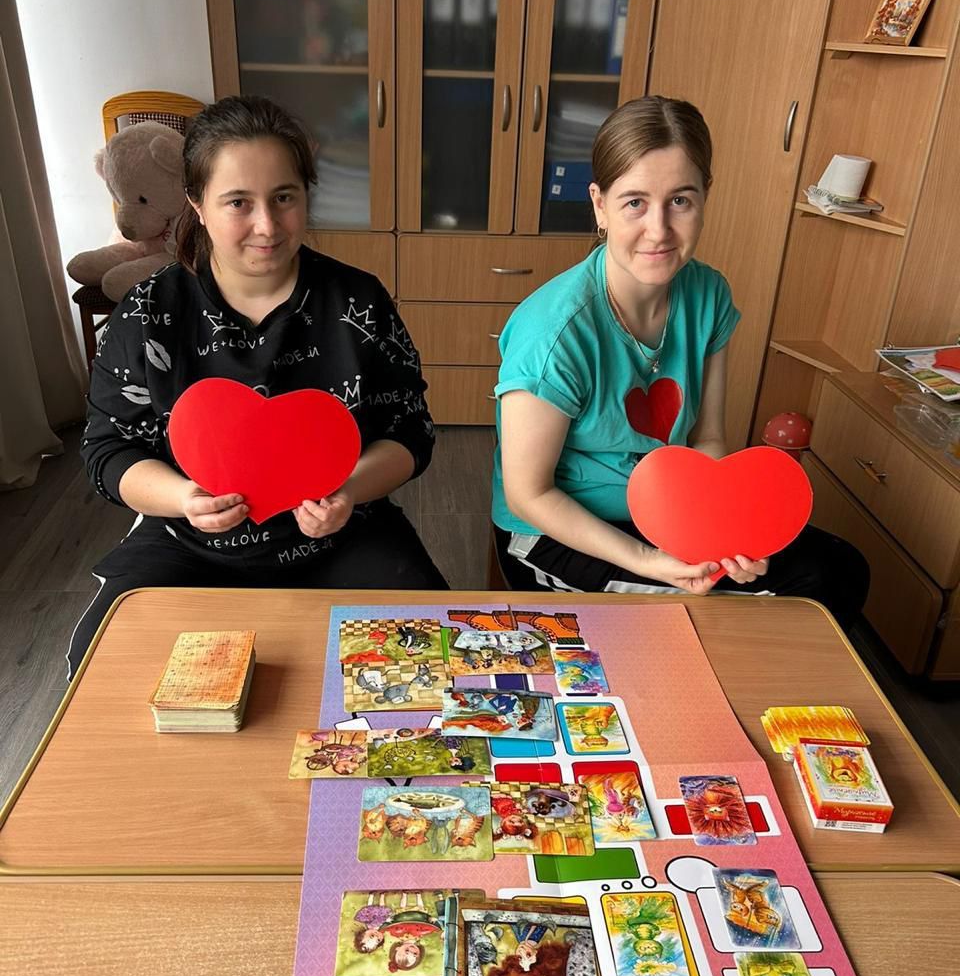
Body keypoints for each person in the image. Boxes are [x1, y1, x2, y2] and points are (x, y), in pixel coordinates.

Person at [71, 94, 445, 676]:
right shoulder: (149, 313)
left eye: (284, 197)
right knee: (107, 669)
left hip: (343, 535)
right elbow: (108, 448)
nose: (267, 226)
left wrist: (348, 490)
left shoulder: (357, 301)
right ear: (197, 203)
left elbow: (410, 430)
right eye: (238, 202)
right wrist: (185, 500)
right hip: (189, 544)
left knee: (428, 664)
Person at [491, 96, 868, 627]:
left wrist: (722, 535)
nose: (659, 230)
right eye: (635, 202)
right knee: (811, 591)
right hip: (559, 533)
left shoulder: (708, 295)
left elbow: (707, 438)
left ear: (705, 197)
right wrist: (651, 560)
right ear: (599, 205)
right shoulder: (553, 335)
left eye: (681, 201)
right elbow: (529, 494)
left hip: (671, 511)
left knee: (841, 568)